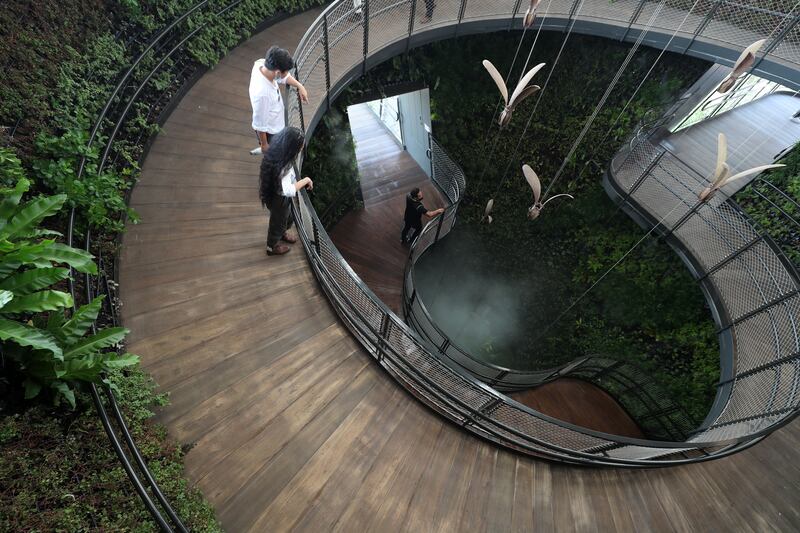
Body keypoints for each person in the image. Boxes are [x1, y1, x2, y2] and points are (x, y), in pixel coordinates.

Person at [259, 127, 313, 256]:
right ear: (292, 147)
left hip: (276, 194)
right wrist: (305, 180)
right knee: (277, 222)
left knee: (286, 218)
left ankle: (282, 232)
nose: (302, 147)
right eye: (300, 144)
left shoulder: (278, 154)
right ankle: (272, 247)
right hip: (279, 198)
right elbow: (288, 190)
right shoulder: (283, 166)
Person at [249, 46, 309, 156]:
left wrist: (299, 86)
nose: (287, 74)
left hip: (276, 122)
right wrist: (264, 145)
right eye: (286, 72)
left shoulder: (261, 64)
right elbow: (259, 124)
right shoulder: (262, 94)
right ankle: (264, 149)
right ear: (277, 73)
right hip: (272, 133)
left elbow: (283, 77)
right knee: (278, 156)